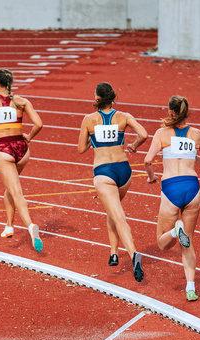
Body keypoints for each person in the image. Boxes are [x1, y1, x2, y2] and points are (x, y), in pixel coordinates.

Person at [144, 96, 200, 301]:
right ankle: (191, 289)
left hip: (171, 188)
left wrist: (152, 177)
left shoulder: (161, 133)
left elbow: (148, 160)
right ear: (186, 111)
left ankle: (176, 230)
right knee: (188, 243)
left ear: (170, 111)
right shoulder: (196, 133)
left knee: (162, 242)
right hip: (193, 188)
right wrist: (194, 156)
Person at [77, 82, 149, 281]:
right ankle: (114, 252)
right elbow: (143, 134)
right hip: (124, 172)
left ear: (98, 98)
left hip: (104, 172)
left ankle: (134, 254)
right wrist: (134, 145)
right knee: (113, 210)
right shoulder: (124, 117)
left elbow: (81, 149)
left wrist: (95, 141)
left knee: (118, 217)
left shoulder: (89, 119)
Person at [0, 68, 44, 252]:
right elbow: (39, 124)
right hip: (22, 150)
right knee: (10, 188)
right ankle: (9, 226)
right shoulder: (21, 101)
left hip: (3, 149)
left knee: (17, 192)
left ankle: (30, 226)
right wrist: (29, 137)